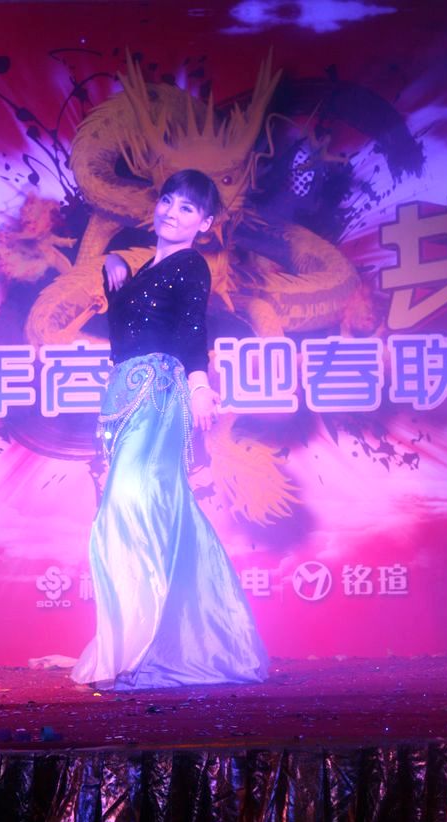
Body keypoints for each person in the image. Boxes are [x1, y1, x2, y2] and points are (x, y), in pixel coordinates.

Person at [71, 169, 269, 689]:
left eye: (187, 208)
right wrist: (112, 262)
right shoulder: (145, 269)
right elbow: (124, 328)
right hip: (123, 397)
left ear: (204, 223)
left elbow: (191, 328)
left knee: (133, 503)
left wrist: (199, 384)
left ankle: (149, 645)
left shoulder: (190, 265)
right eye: (168, 201)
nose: (171, 213)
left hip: (158, 392)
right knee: (153, 504)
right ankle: (167, 638)